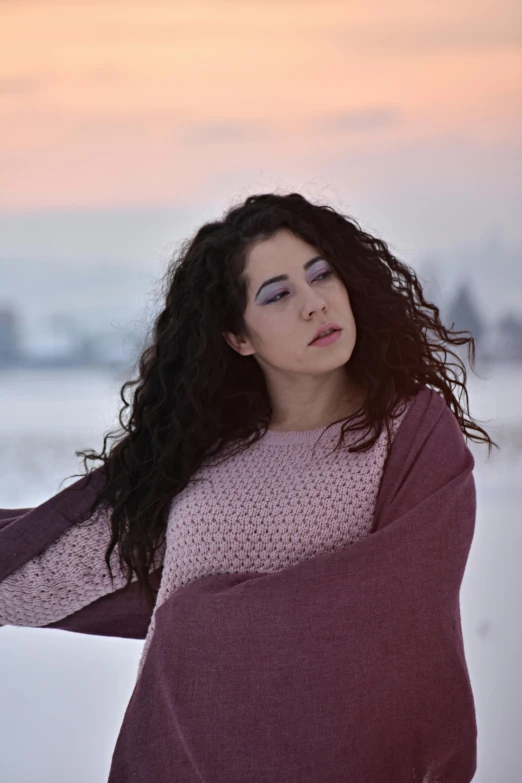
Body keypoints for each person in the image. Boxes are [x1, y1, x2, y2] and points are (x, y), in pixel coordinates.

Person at [0, 192, 498, 782]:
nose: (314, 304)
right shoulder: (201, 456)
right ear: (239, 338)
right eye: (278, 294)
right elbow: (51, 575)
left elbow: (397, 613)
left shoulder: (409, 435)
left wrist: (193, 629)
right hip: (175, 760)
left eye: (322, 275)